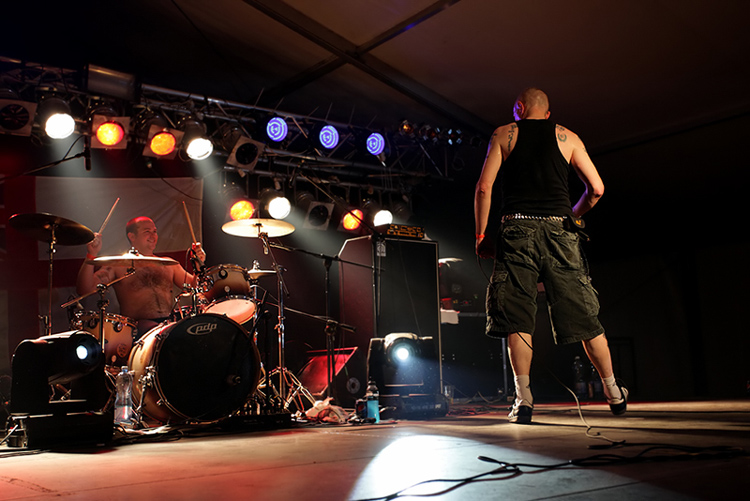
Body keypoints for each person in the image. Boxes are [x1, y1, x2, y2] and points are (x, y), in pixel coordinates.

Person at [474, 88, 627, 424]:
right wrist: (572, 215)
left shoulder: (504, 134)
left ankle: (524, 399)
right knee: (584, 314)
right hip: (561, 231)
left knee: (517, 315)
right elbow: (597, 189)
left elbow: (484, 187)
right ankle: (613, 391)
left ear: (519, 108)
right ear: (547, 113)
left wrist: (482, 235)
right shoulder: (568, 137)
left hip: (516, 230)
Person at [76, 216, 207, 339]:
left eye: (155, 231)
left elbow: (195, 287)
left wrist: (198, 266)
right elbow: (85, 289)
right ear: (132, 236)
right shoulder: (118, 265)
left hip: (168, 326)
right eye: (147, 231)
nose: (153, 236)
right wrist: (91, 255)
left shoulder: (168, 264)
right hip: (138, 331)